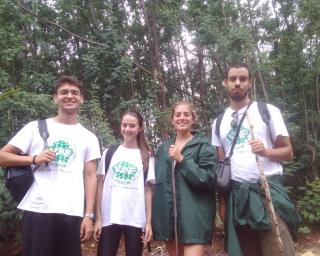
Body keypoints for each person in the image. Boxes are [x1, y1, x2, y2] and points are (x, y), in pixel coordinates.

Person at [0, 76, 101, 256]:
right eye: (64, 92)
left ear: (81, 99)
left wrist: (89, 215)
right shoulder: (35, 128)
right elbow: (2, 156)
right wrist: (33, 159)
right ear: (55, 98)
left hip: (72, 211)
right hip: (38, 209)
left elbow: (90, 176)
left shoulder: (89, 137)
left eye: (74, 93)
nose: (69, 96)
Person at [211, 63, 301, 256]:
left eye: (242, 79)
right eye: (233, 79)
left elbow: (288, 152)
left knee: (280, 249)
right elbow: (221, 167)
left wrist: (266, 152)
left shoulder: (266, 111)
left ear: (249, 83)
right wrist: (223, 203)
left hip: (267, 191)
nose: (237, 83)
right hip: (238, 198)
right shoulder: (219, 122)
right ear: (225, 83)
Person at [152, 101, 216, 256]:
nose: (182, 118)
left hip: (193, 219)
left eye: (186, 114)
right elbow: (157, 187)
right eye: (178, 115)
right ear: (172, 119)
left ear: (193, 119)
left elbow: (208, 179)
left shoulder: (203, 146)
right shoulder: (162, 149)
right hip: (169, 221)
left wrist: (182, 159)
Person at [93, 109, 155, 256]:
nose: (127, 129)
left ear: (140, 128)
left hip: (135, 218)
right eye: (124, 125)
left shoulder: (146, 155)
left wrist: (148, 222)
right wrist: (98, 218)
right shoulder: (109, 153)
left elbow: (147, 191)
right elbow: (100, 185)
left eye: (132, 126)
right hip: (109, 217)